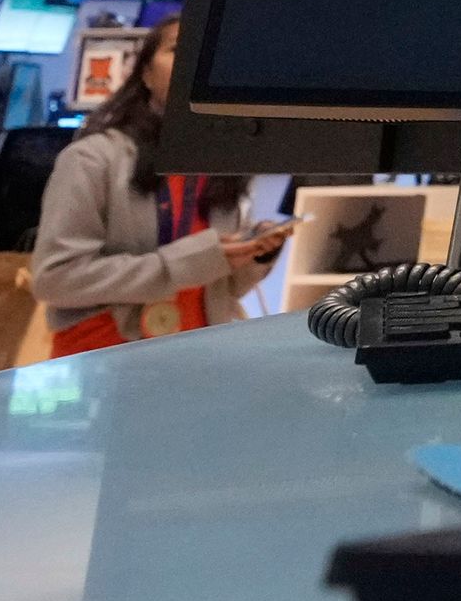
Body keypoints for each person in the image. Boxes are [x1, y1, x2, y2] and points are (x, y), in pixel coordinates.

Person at [27, 19, 290, 357]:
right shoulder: (92, 159)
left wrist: (256, 256)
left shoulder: (226, 167)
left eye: (209, 55)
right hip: (104, 361)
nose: (195, 62)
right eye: (179, 49)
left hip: (200, 359)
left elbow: (221, 290)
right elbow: (56, 280)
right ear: (145, 75)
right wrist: (186, 262)